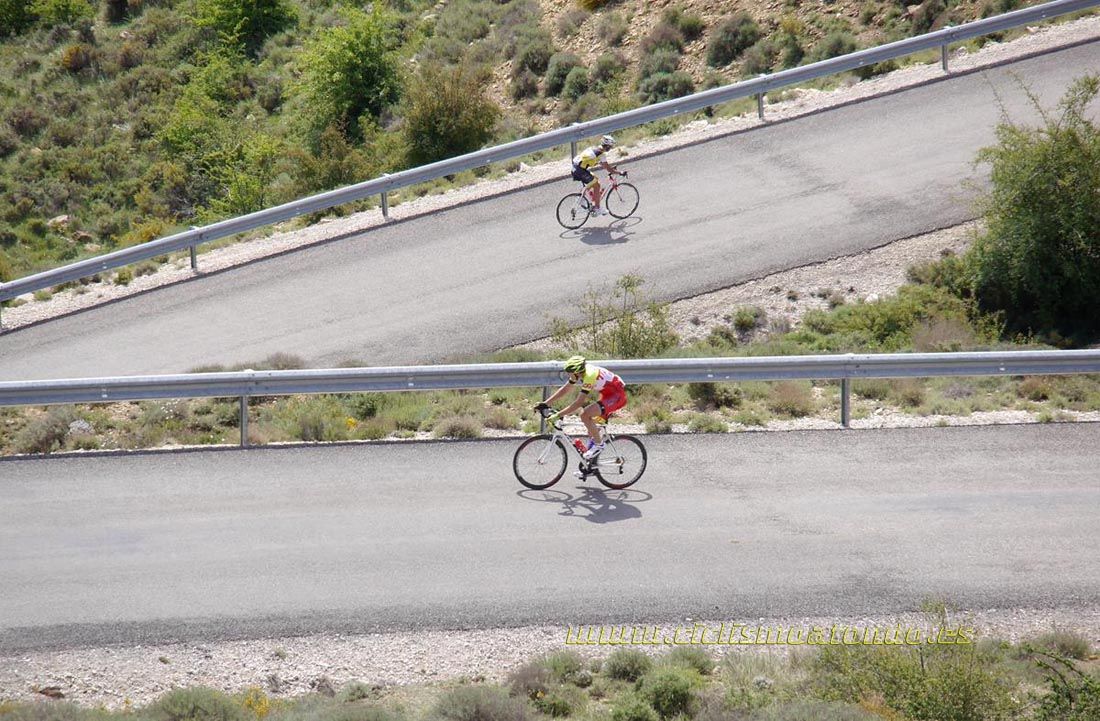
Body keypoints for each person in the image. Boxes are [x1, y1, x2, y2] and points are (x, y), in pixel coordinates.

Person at [535, 355, 628, 461]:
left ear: (577, 372)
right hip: (607, 395)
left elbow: (578, 403)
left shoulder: (589, 376)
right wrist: (545, 403)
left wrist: (558, 415)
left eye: (570, 373)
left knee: (585, 414)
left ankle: (599, 445)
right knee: (592, 430)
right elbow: (566, 389)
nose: (568, 375)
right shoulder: (581, 372)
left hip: (617, 396)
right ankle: (591, 463)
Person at [570, 135, 618, 216]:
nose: (610, 148)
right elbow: (609, 169)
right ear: (607, 146)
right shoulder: (601, 154)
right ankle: (597, 208)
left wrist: (610, 168)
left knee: (595, 180)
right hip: (580, 171)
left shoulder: (593, 148)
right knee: (597, 185)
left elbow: (602, 164)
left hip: (576, 168)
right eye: (610, 147)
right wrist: (619, 172)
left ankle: (581, 198)